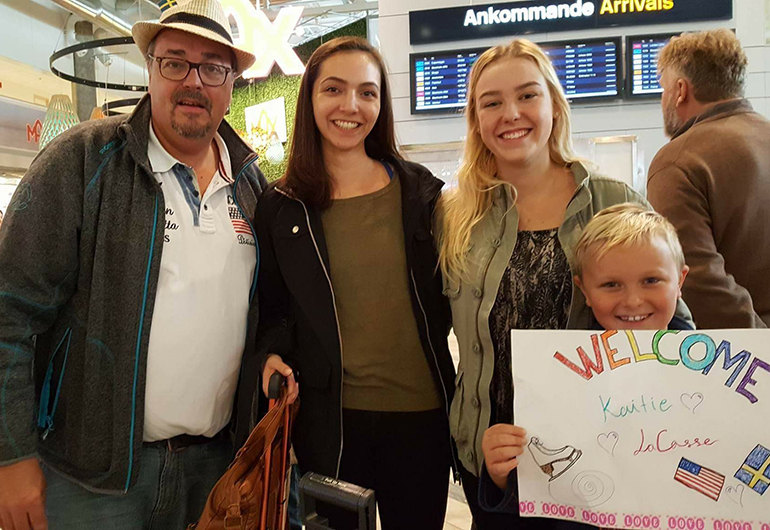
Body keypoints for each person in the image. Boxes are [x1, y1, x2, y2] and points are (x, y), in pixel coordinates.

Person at [0, 1, 267, 528]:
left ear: (231, 82)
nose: (194, 81)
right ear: (149, 68)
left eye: (213, 67)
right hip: (92, 480)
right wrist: (10, 454)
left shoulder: (251, 185)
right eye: (175, 61)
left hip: (215, 469)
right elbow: (8, 314)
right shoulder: (81, 162)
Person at [436, 39, 692, 529]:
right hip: (495, 455)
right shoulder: (455, 216)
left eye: (528, 95)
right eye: (491, 102)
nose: (511, 113)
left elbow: (674, 325)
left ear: (554, 103)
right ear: (475, 117)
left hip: (599, 453)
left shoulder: (613, 200)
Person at [245, 36, 456, 530]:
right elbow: (273, 309)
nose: (351, 106)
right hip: (329, 424)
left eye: (367, 92)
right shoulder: (282, 205)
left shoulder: (418, 193)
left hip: (421, 418)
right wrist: (270, 354)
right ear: (310, 99)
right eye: (334, 90)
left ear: (381, 105)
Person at [648, 29, 770, 329]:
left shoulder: (679, 160)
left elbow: (696, 281)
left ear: (680, 90)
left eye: (663, 89)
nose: (663, 99)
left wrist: (761, 353)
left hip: (742, 362)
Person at [573, 203, 692, 331]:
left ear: (679, 281)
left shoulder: (701, 348)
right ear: (584, 290)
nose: (633, 302)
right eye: (611, 285)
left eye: (651, 281)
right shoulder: (571, 350)